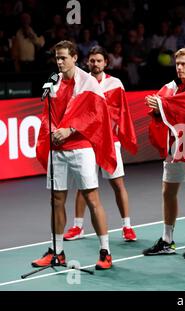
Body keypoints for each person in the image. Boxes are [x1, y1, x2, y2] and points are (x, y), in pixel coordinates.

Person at [33, 40, 117, 270]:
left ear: (74, 58)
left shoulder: (88, 82)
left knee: (92, 199)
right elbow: (45, 113)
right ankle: (57, 252)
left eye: (63, 58)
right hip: (57, 150)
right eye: (57, 58)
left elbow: (96, 115)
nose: (59, 62)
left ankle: (105, 252)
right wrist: (51, 130)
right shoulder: (53, 82)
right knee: (56, 200)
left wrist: (70, 129)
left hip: (80, 149)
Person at [63, 45, 138, 243]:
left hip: (109, 141)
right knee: (84, 184)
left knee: (117, 184)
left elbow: (119, 113)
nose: (95, 64)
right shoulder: (80, 82)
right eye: (92, 60)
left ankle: (127, 226)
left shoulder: (115, 83)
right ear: (87, 62)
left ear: (106, 63)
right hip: (86, 142)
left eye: (99, 60)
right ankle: (78, 226)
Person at [143, 48, 185, 259]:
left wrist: (162, 104)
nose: (180, 67)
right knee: (168, 191)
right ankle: (167, 240)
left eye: (184, 63)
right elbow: (163, 109)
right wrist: (156, 107)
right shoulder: (170, 87)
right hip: (175, 147)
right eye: (177, 64)